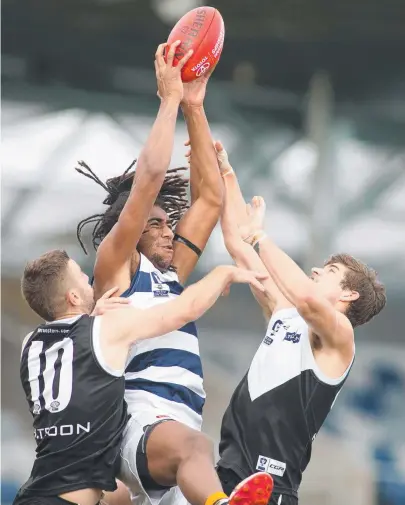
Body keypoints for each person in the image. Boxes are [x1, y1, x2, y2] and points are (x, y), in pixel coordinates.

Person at [75, 41, 274, 505]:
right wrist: (168, 102)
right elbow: (148, 179)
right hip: (139, 427)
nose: (169, 232)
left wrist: (195, 105)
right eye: (157, 224)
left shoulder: (172, 277)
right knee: (197, 452)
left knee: (193, 450)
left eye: (170, 224)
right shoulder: (117, 268)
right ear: (132, 231)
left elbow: (207, 199)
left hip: (179, 432)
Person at [14, 248, 271, 505]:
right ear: (72, 296)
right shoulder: (106, 329)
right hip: (64, 500)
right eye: (82, 276)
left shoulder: (31, 344)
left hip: (37, 492)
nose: (89, 279)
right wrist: (223, 272)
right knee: (194, 447)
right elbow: (183, 310)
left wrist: (89, 315)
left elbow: (73, 344)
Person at [213, 143, 387, 504]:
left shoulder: (341, 336)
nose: (316, 270)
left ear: (349, 296)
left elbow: (306, 297)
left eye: (330, 271)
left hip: (269, 488)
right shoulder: (285, 312)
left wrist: (261, 237)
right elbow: (236, 242)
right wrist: (227, 177)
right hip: (227, 471)